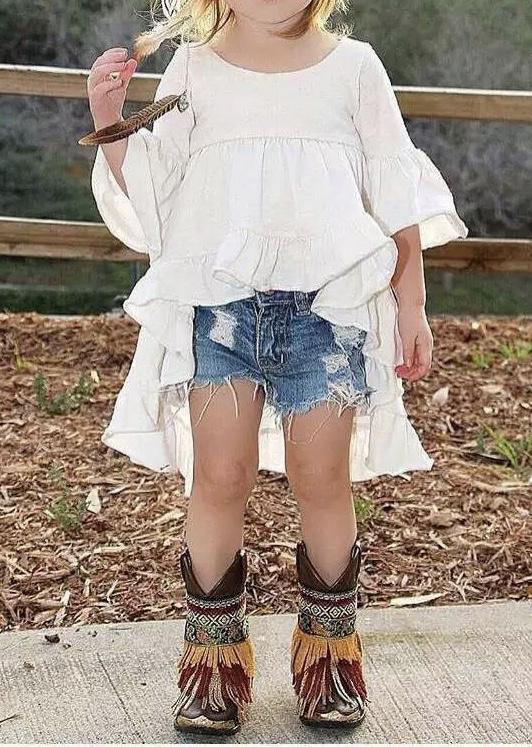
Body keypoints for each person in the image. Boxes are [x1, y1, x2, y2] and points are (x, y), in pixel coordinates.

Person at [86, 0, 468, 736]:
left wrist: (411, 304)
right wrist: (110, 120)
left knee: (320, 477)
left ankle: (330, 659)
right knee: (219, 476)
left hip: (329, 312)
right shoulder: (195, 66)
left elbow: (395, 192)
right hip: (221, 307)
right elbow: (160, 193)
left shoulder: (354, 68)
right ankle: (212, 665)